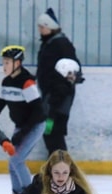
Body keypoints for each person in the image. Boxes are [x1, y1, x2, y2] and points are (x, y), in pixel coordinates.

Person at [0, 45, 47, 194]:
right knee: (13, 162)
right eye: (3, 62)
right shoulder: (6, 82)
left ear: (18, 63)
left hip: (35, 125)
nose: (4, 66)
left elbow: (38, 112)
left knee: (17, 160)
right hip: (22, 126)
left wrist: (23, 132)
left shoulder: (26, 82)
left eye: (7, 62)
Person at [36, 8, 83, 155]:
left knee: (54, 130)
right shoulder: (49, 43)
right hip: (51, 96)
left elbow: (74, 69)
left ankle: (62, 166)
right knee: (49, 129)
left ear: (49, 27)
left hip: (59, 96)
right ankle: (58, 165)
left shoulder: (61, 44)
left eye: (42, 27)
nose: (40, 30)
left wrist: (60, 91)